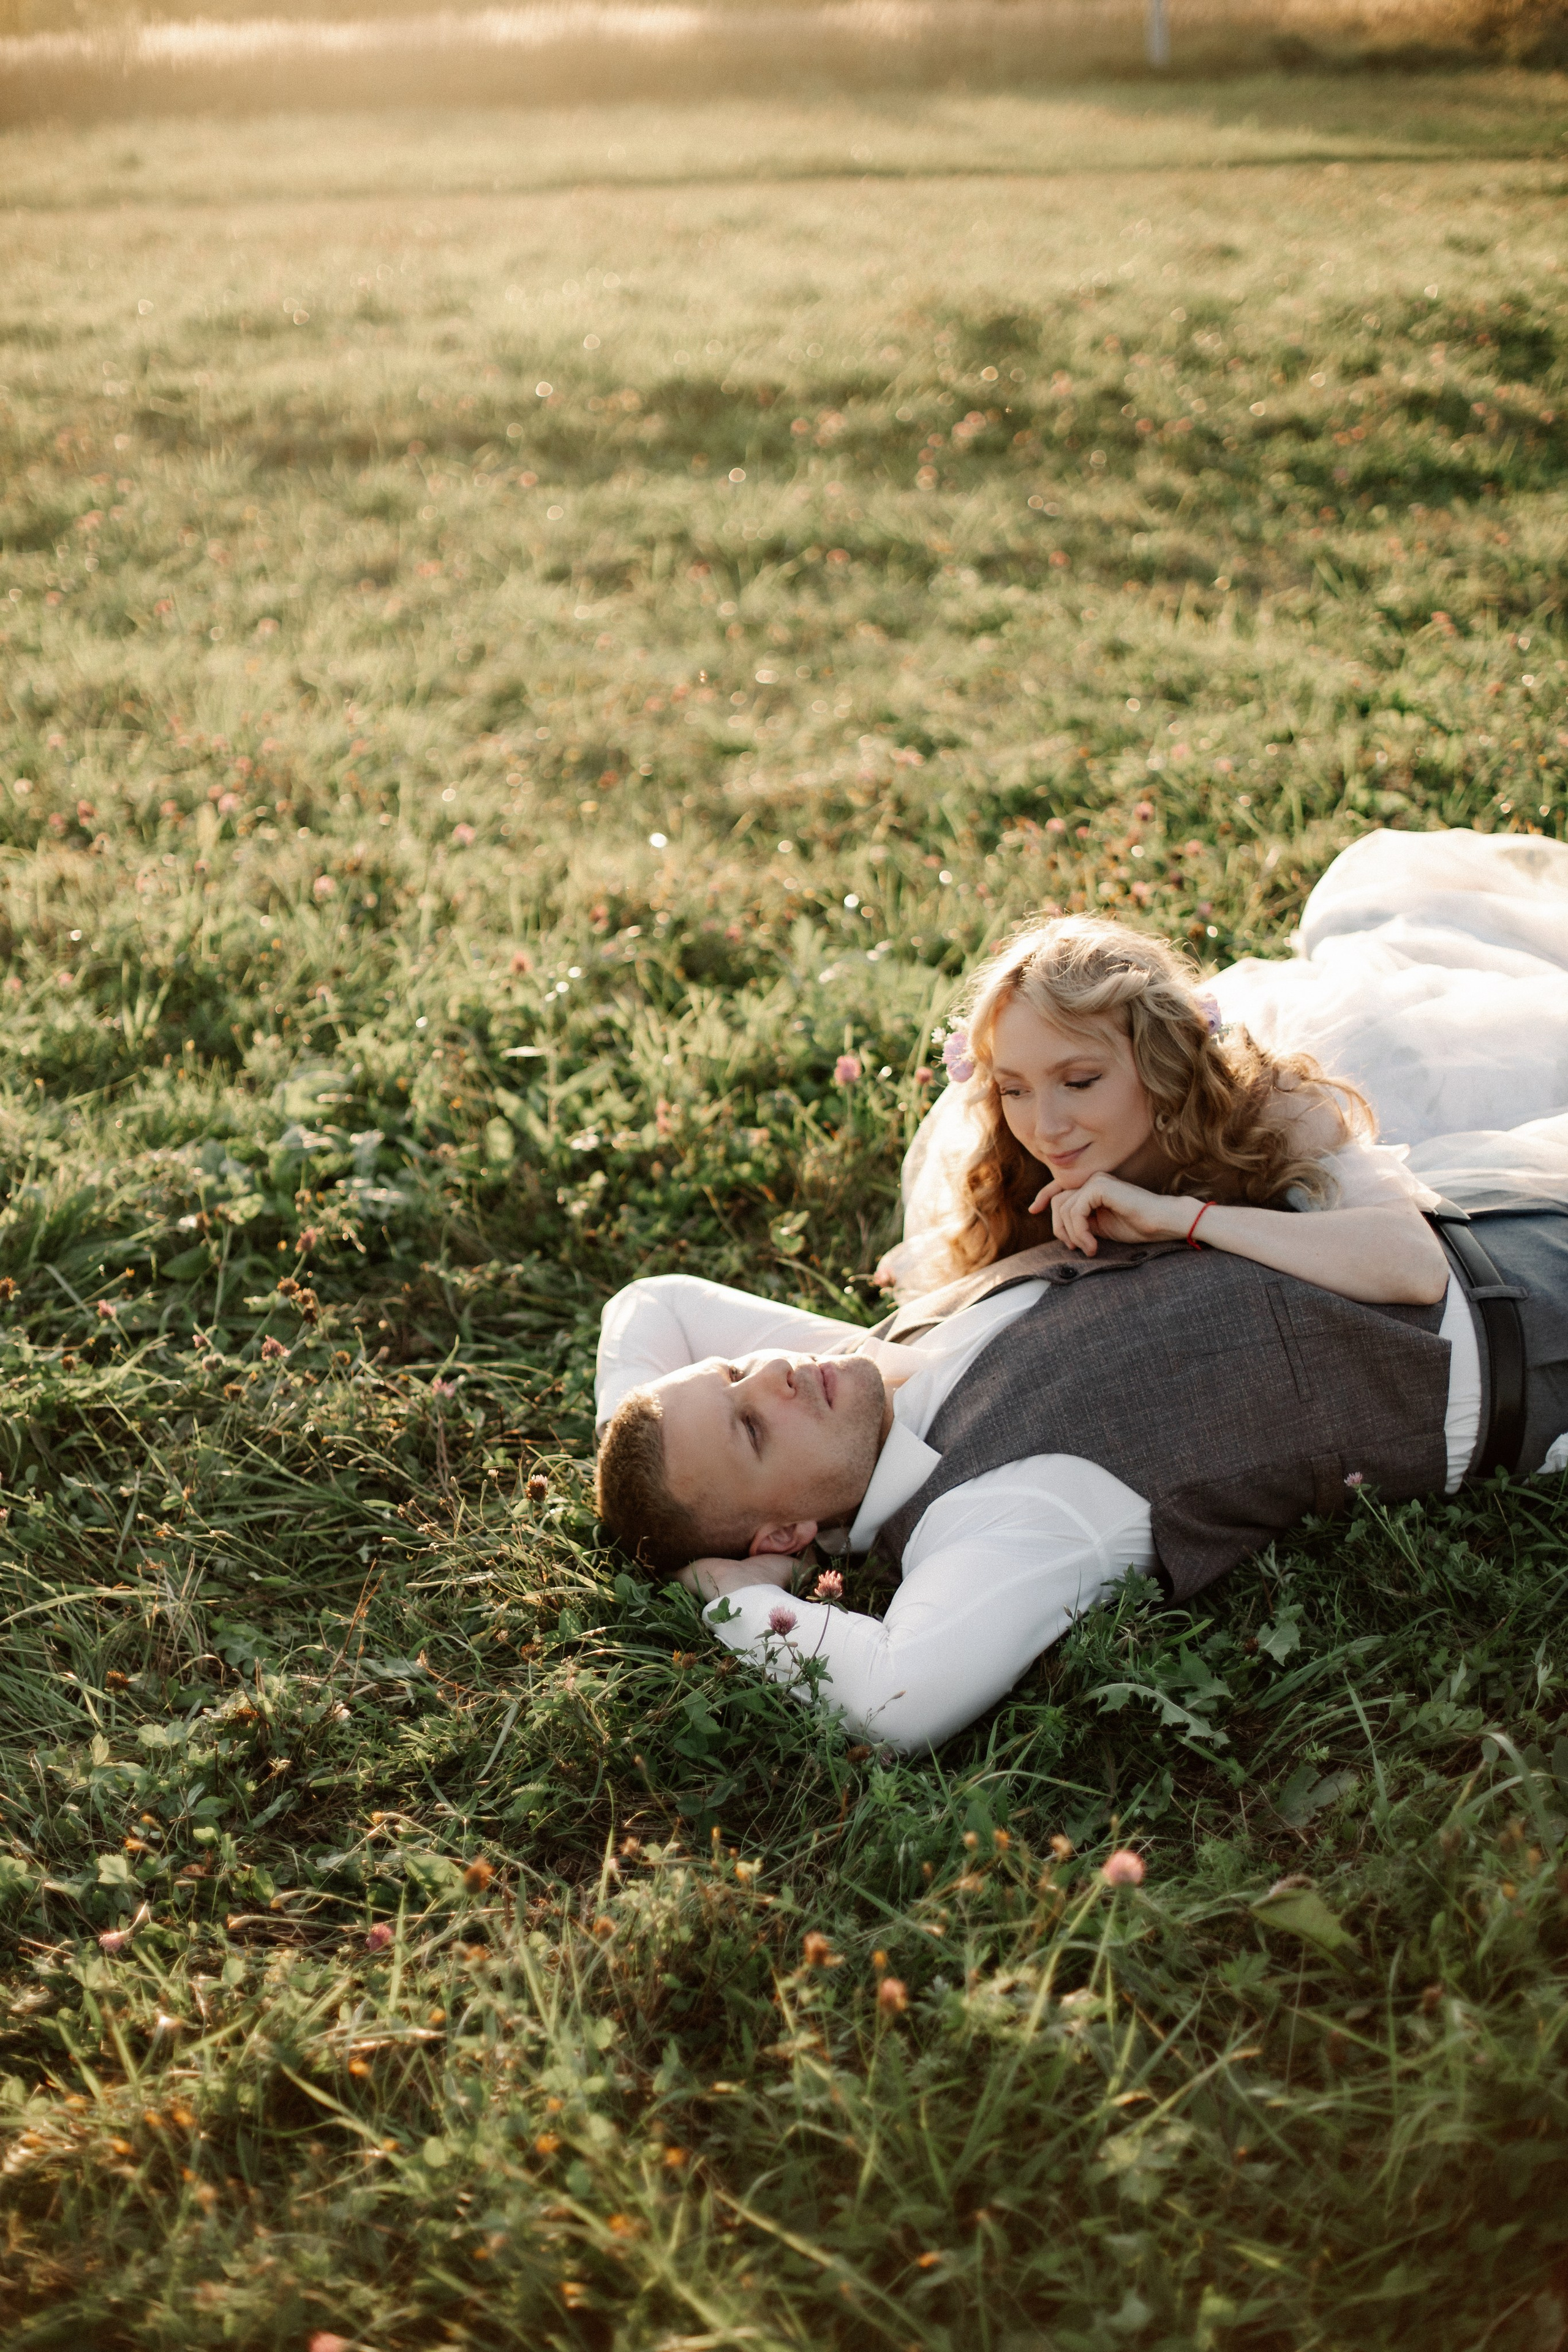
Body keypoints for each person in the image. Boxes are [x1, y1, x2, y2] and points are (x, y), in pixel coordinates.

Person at [882, 824, 1568, 1298]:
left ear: (1157, 1062)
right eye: (1014, 1089)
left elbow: (1417, 1270)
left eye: (1080, 1081)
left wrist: (1178, 1216)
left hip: (1418, 1072)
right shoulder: (1015, 1150)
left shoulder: (1274, 1107)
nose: (1047, 1125)